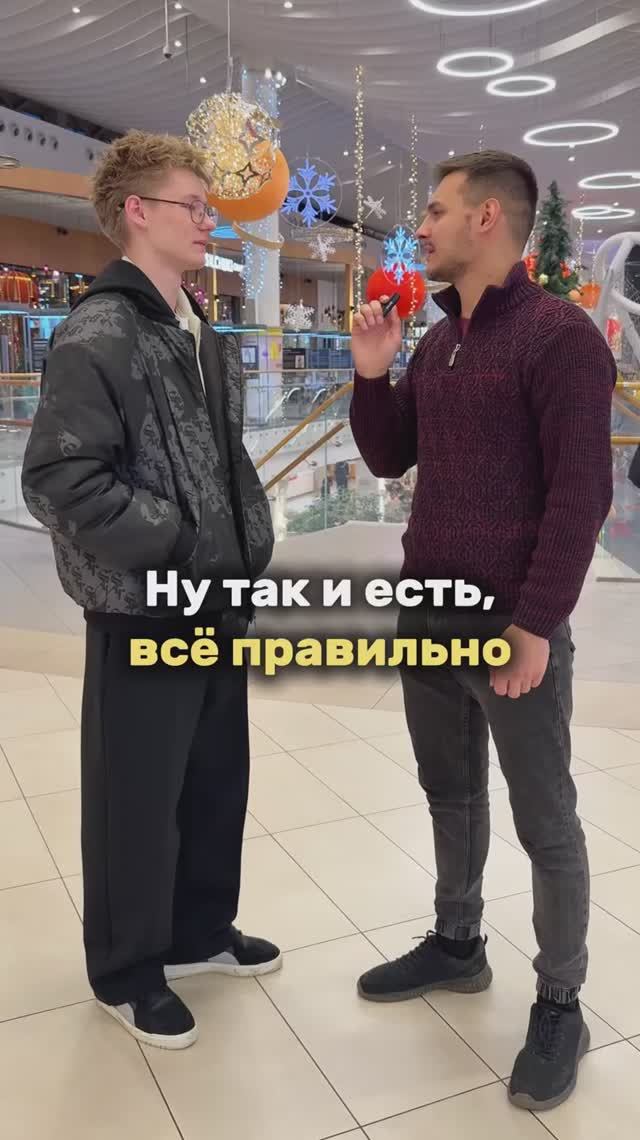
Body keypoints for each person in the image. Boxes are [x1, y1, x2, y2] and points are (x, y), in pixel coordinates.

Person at [349, 150, 616, 1112]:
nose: (420, 227)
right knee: (449, 791)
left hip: (508, 624)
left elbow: (583, 495)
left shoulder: (559, 338)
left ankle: (561, 1001)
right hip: (429, 615)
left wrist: (537, 623)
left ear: (488, 218)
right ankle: (458, 942)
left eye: (435, 210)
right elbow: (391, 456)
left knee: (545, 817)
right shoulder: (439, 341)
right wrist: (372, 375)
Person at [21, 130, 281, 1051]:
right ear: (137, 211)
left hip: (215, 599)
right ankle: (128, 969)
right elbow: (59, 480)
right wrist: (177, 539)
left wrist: (241, 542)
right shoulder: (99, 332)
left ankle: (199, 930)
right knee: (135, 794)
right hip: (143, 606)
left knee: (212, 775)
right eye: (192, 206)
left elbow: (220, 458)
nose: (209, 221)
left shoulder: (195, 329)